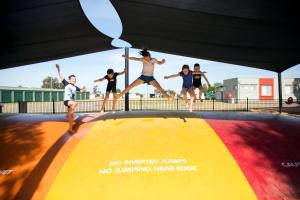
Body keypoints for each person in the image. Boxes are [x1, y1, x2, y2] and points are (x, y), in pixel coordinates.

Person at [56, 64, 86, 133]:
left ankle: (70, 128)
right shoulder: (66, 83)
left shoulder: (75, 87)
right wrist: (58, 69)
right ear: (69, 80)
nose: (74, 80)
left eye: (75, 79)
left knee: (71, 117)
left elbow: (81, 91)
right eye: (73, 79)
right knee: (75, 103)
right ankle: (68, 114)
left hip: (71, 103)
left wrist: (84, 89)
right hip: (67, 101)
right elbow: (61, 76)